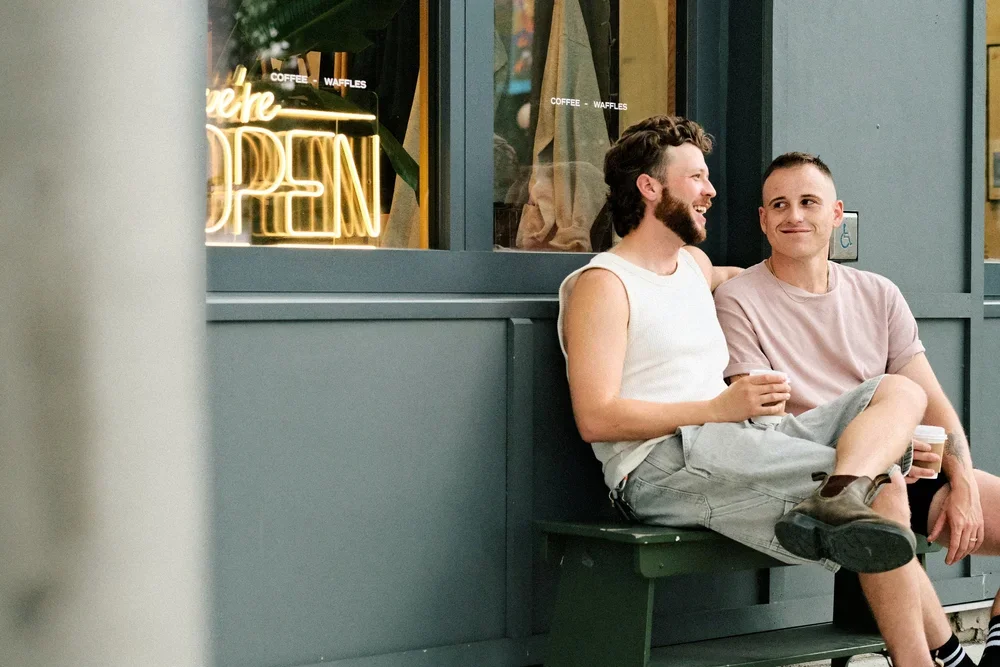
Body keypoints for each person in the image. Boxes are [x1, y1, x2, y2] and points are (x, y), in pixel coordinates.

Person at [558, 116, 935, 667]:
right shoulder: (604, 285)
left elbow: (766, 279)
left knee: (899, 393)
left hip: (742, 437)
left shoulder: (692, 264)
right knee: (889, 492)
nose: (711, 191)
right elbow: (596, 417)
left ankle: (840, 491)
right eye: (696, 178)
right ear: (649, 187)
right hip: (661, 464)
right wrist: (716, 408)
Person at [714, 151, 1000, 667]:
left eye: (808, 202)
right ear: (762, 219)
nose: (793, 215)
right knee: (883, 492)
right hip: (823, 476)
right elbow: (765, 422)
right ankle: (943, 656)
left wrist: (961, 480)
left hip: (909, 464)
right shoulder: (739, 299)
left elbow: (932, 402)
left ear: (837, 213)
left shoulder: (878, 294)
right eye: (778, 204)